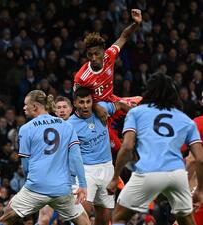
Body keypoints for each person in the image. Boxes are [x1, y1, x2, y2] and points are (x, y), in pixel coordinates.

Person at [106, 73, 203, 225]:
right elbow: (200, 158)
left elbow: (127, 147)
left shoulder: (136, 112)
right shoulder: (185, 119)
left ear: (148, 91)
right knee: (186, 220)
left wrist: (114, 177)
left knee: (119, 216)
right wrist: (200, 190)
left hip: (149, 172)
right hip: (177, 175)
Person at [0, 90, 90, 225]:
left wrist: (29, 187)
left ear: (34, 106)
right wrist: (83, 184)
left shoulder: (25, 129)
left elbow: (26, 164)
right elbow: (76, 157)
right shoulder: (67, 126)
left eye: (26, 104)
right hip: (62, 189)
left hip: (36, 187)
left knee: (5, 219)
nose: (23, 108)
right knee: (84, 222)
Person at [73, 9, 142, 151]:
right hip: (97, 113)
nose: (93, 58)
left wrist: (135, 23)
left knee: (143, 103)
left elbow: (124, 36)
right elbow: (78, 100)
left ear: (103, 52)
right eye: (90, 54)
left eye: (96, 54)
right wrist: (96, 107)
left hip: (113, 102)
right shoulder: (82, 76)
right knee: (117, 147)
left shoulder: (109, 56)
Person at [68, 87, 130, 225]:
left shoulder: (101, 109)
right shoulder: (69, 125)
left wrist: (136, 119)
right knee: (81, 214)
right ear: (75, 104)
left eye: (88, 102)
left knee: (104, 218)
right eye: (81, 102)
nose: (85, 106)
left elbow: (120, 104)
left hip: (107, 168)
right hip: (86, 171)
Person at [37, 95, 73, 225]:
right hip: (53, 179)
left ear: (71, 109)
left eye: (64, 107)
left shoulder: (80, 126)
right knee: (45, 218)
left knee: (79, 218)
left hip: (75, 181)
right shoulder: (48, 129)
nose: (62, 110)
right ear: (55, 111)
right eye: (59, 108)